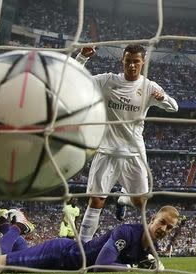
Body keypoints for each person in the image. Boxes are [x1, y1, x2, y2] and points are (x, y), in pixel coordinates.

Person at [75, 44, 179, 242]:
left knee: (140, 203)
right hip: (107, 150)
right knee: (96, 200)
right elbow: (76, 80)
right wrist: (82, 57)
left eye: (136, 62)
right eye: (128, 61)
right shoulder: (107, 80)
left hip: (134, 152)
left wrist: (163, 98)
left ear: (143, 62)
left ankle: (144, 246)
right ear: (122, 60)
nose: (131, 66)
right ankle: (81, 248)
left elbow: (174, 107)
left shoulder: (149, 87)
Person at [0, 205, 179, 273]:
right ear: (152, 218)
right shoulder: (126, 232)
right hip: (59, 254)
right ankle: (17, 226)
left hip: (65, 265)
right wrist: (133, 268)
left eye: (169, 227)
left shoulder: (152, 247)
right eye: (162, 222)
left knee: (14, 255)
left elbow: (154, 265)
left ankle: (3, 225)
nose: (163, 229)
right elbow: (101, 264)